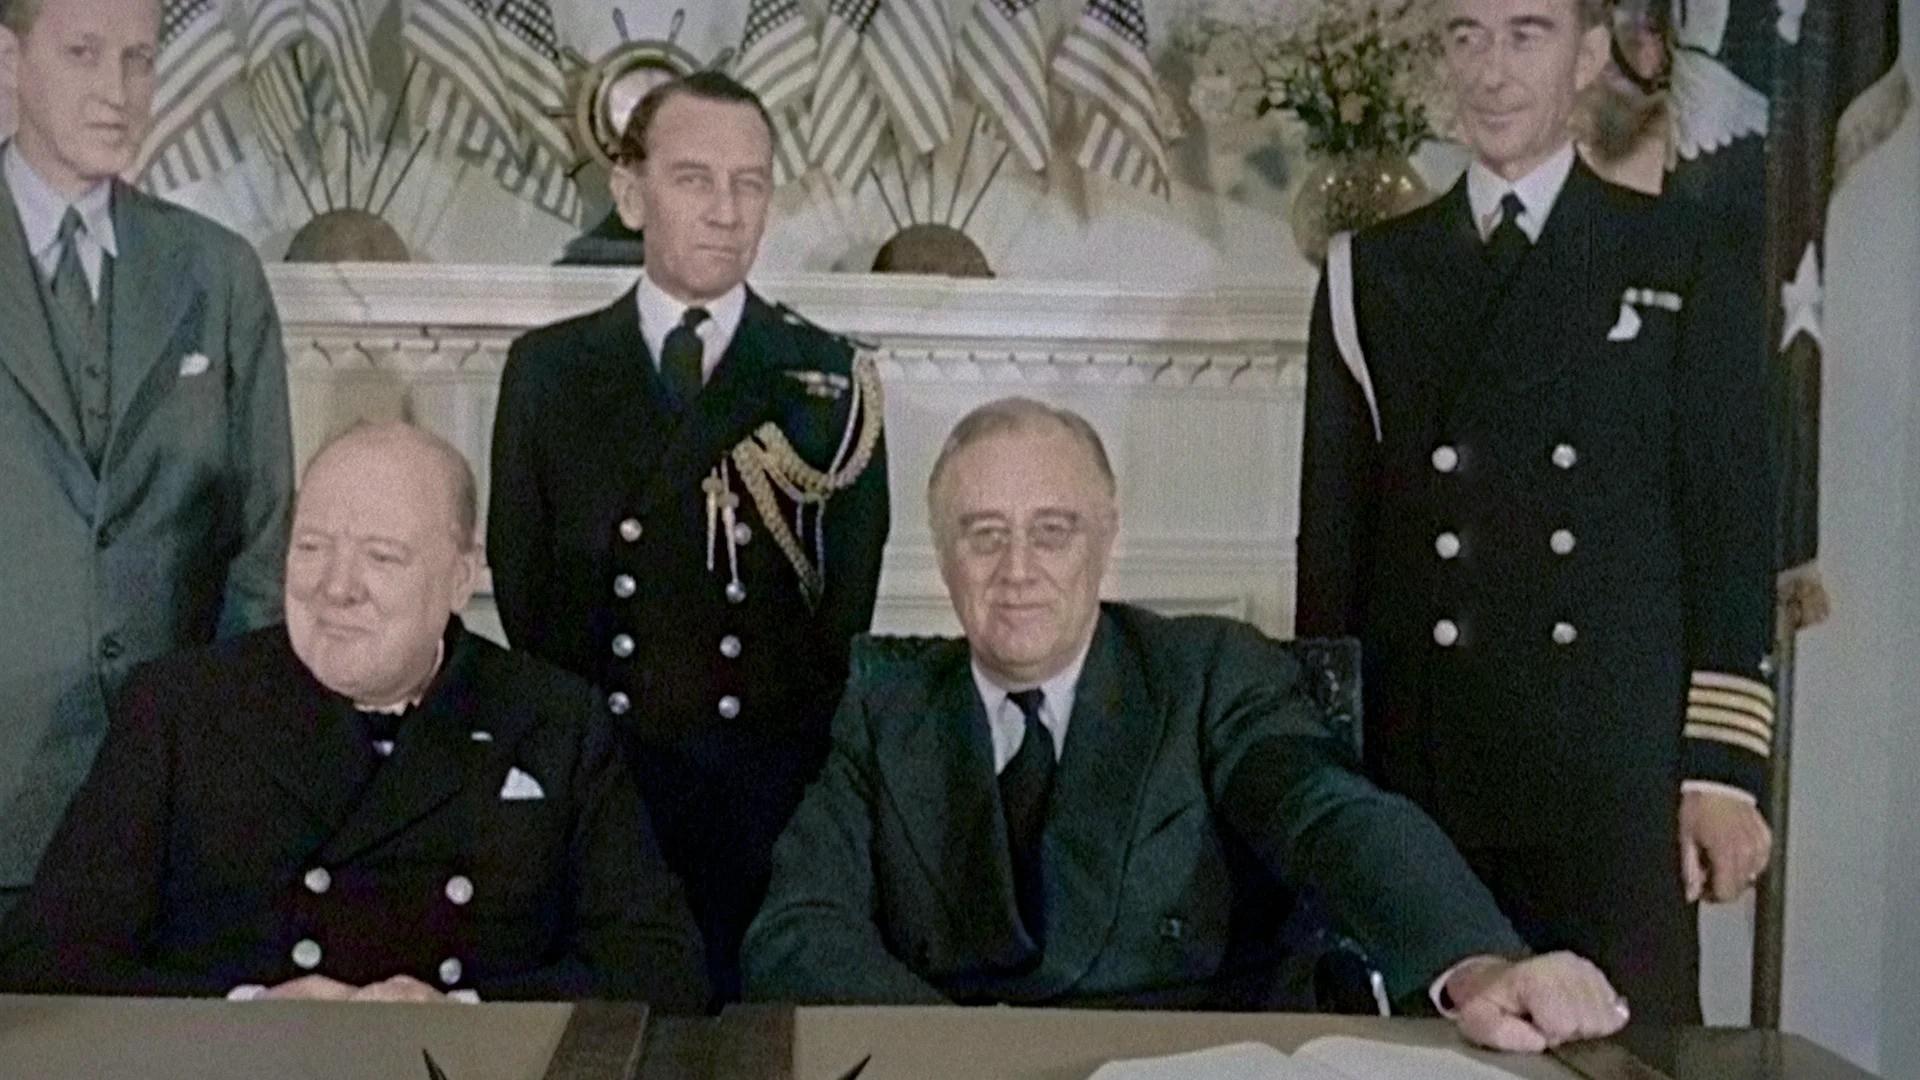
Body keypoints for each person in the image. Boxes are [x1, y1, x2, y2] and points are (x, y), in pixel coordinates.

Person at [745, 398, 1629, 1054]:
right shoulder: (888, 703)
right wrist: (961, 1060)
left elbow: (1331, 814)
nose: (1018, 570)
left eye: (1053, 531)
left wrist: (1475, 963)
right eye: (984, 534)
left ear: (1107, 541)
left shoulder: (1208, 672)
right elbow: (798, 928)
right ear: (942, 556)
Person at [1295, 0, 1774, 1023]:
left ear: (1589, 55)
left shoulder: (1685, 253)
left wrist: (1723, 773)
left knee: (1628, 1058)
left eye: (1527, 33)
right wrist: (1324, 787)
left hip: (1613, 776)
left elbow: (1731, 531)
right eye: (1467, 35)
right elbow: (1331, 560)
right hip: (1425, 779)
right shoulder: (1367, 272)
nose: (1493, 69)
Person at [0, 423, 708, 1009]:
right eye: (311, 547)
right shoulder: (181, 709)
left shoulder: (553, 719)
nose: (336, 587)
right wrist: (245, 1010)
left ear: (461, 578)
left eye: (382, 556)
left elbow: (661, 964)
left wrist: (468, 1015)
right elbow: (45, 959)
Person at [488, 70, 890, 1000]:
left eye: (750, 183)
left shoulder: (831, 380)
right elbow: (527, 593)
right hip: (604, 795)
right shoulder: (548, 372)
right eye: (695, 179)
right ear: (631, 194)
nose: (726, 210)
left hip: (764, 804)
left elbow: (843, 614)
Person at [0, 0, 293, 911]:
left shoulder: (218, 273)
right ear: (7, 61)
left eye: (139, 59)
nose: (117, 90)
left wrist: (228, 762)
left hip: (168, 814)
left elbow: (264, 544)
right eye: (83, 54)